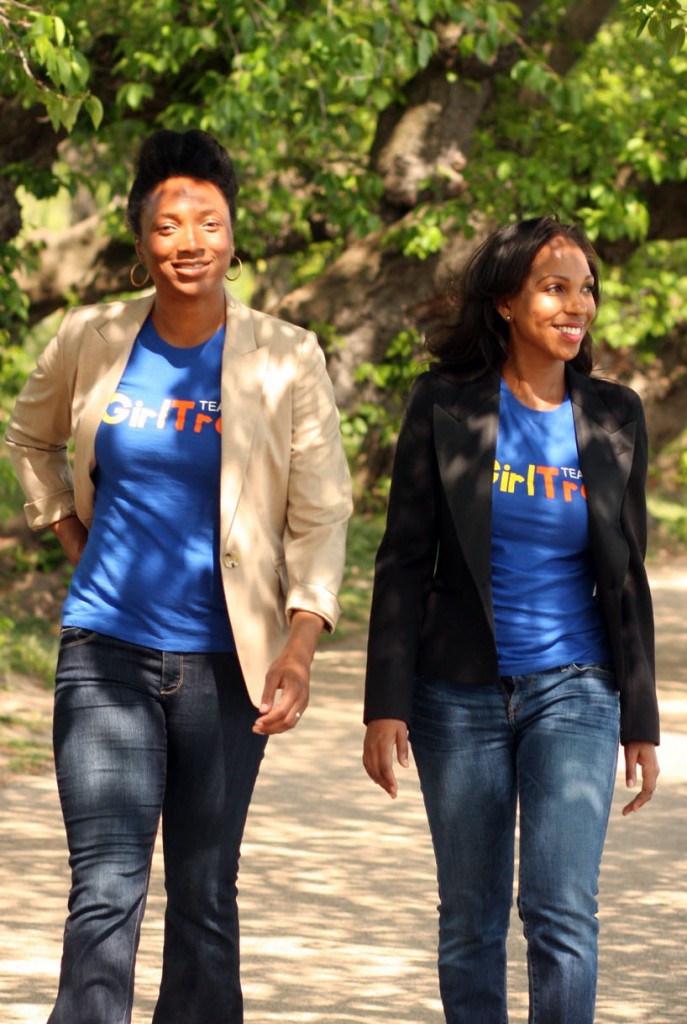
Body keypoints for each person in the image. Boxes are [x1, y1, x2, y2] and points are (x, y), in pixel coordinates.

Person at [6, 128, 352, 1024]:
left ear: (235, 236)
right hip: (105, 649)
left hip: (226, 665)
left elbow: (320, 511)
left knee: (204, 896)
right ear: (140, 239)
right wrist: (70, 533)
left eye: (208, 222)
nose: (188, 241)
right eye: (168, 224)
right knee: (106, 890)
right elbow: (31, 436)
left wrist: (301, 642)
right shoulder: (93, 337)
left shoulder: (286, 355)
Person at [362, 216, 660, 1024]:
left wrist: (640, 717)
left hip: (576, 687)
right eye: (554, 287)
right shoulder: (444, 404)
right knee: (469, 919)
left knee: (561, 909)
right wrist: (383, 703)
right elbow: (401, 557)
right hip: (454, 693)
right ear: (503, 302)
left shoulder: (613, 415)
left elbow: (625, 575)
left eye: (585, 288)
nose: (577, 305)